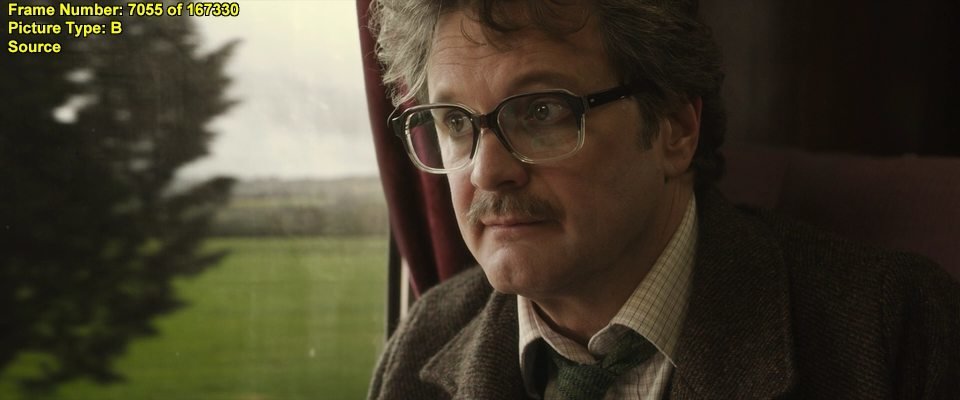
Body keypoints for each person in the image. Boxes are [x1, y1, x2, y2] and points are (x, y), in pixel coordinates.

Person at [366, 0, 960, 399]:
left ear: (675, 128)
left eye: (542, 111)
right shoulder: (422, 342)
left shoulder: (897, 332)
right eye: (454, 122)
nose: (487, 171)